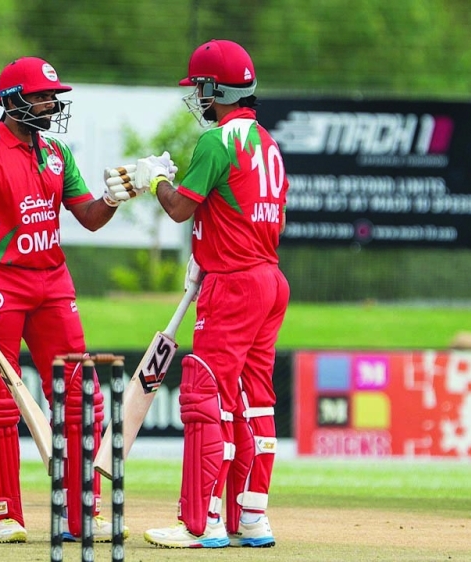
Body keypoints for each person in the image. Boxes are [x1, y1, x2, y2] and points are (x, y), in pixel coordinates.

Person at [0, 56, 167, 544]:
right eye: (41, 97)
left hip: (53, 282)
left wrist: (118, 195)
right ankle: (1, 516)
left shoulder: (56, 151)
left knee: (80, 394)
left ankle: (81, 514)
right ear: (13, 100)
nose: (52, 105)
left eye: (53, 97)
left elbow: (88, 217)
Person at [143, 39, 290, 549]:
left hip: (233, 285)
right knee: (256, 402)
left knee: (209, 396)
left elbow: (179, 209)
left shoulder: (216, 142)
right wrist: (210, 246)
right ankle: (252, 518)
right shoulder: (268, 144)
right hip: (269, 279)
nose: (198, 97)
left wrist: (156, 180)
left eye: (202, 87)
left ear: (218, 90)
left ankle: (199, 522)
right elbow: (254, 215)